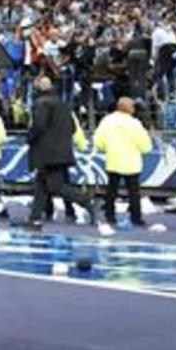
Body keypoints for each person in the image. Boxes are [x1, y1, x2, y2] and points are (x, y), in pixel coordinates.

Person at [26, 75, 93, 226]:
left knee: (55, 186)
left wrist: (29, 137)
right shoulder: (63, 103)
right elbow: (73, 127)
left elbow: (39, 126)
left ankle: (84, 199)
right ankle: (34, 216)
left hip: (47, 152)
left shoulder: (41, 103)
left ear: (38, 88)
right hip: (62, 150)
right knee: (42, 185)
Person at [93, 98, 153, 235]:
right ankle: (136, 217)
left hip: (113, 159)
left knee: (111, 189)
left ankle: (110, 215)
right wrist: (145, 149)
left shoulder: (107, 121)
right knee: (134, 191)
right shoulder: (134, 123)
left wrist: (105, 148)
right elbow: (145, 144)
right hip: (131, 161)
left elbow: (98, 140)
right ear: (129, 108)